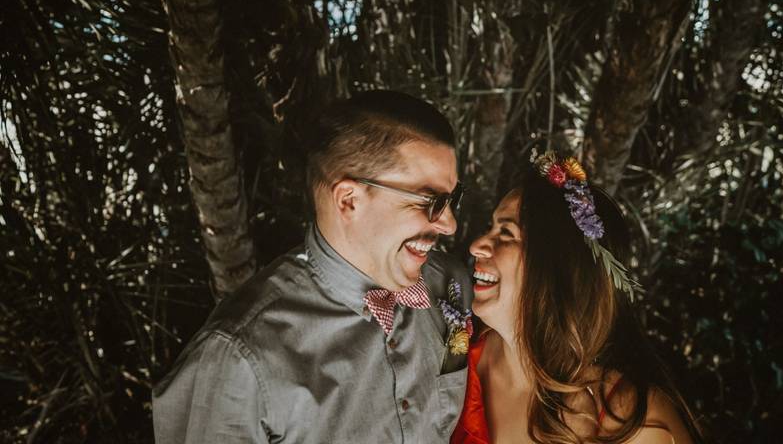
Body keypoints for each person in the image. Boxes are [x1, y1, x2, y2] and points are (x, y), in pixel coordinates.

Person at [153, 90, 473, 443]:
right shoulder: (238, 358)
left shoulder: (451, 283)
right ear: (349, 200)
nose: (450, 224)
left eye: (452, 198)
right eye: (431, 201)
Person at [452, 151, 701, 444]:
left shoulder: (630, 419)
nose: (477, 246)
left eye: (506, 233)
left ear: (557, 267)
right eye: (490, 228)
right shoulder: (457, 354)